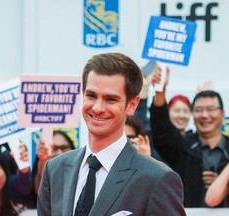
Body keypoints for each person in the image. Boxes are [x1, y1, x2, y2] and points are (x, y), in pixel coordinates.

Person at [37, 52, 185, 215]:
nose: (98, 108)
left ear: (132, 105)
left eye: (110, 99)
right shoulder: (55, 169)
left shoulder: (157, 179)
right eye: (91, 96)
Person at [150, 67, 229, 207]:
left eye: (211, 109)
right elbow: (162, 131)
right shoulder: (182, 146)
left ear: (223, 114)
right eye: (198, 110)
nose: (204, 115)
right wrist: (160, 93)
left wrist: (223, 185)